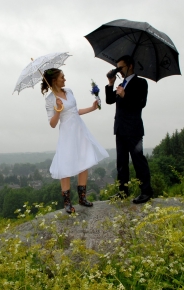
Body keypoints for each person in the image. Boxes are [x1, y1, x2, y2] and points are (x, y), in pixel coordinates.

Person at [42, 68, 109, 213]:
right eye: (62, 77)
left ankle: (82, 198)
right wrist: (58, 110)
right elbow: (52, 124)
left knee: (84, 161)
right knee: (65, 164)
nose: (65, 79)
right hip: (67, 134)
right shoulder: (50, 100)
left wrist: (91, 108)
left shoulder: (69, 91)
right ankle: (67, 203)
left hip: (80, 130)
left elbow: (75, 112)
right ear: (54, 81)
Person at [105, 55, 153, 204]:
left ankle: (146, 191)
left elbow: (141, 103)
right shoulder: (121, 84)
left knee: (138, 160)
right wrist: (111, 84)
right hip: (120, 129)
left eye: (121, 67)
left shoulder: (140, 83)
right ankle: (123, 192)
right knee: (121, 163)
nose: (118, 71)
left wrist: (125, 95)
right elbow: (109, 100)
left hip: (133, 129)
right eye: (117, 68)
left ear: (130, 66)